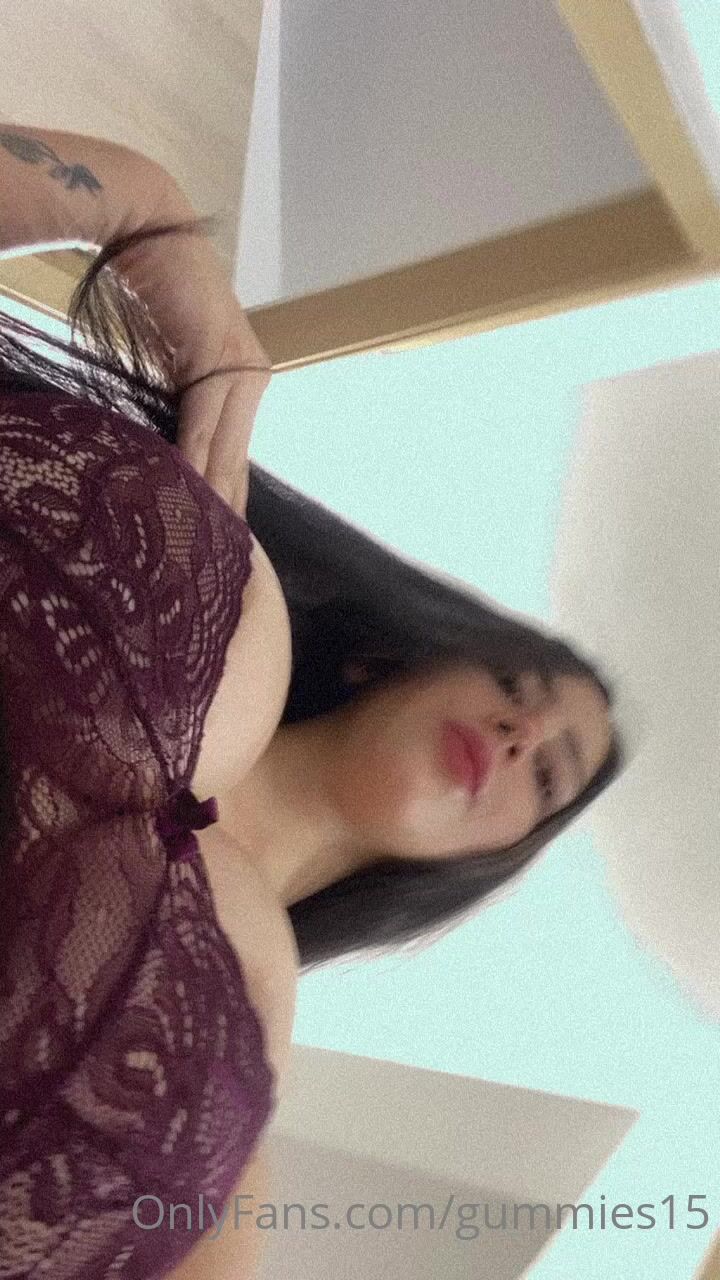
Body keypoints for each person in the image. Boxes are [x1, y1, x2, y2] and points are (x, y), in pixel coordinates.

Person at [0, 126, 631, 1278]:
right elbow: (115, 208)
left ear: (483, 856)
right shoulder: (204, 574)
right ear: (391, 660)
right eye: (515, 687)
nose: (524, 731)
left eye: (548, 776)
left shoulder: (223, 1118)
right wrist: (153, 223)